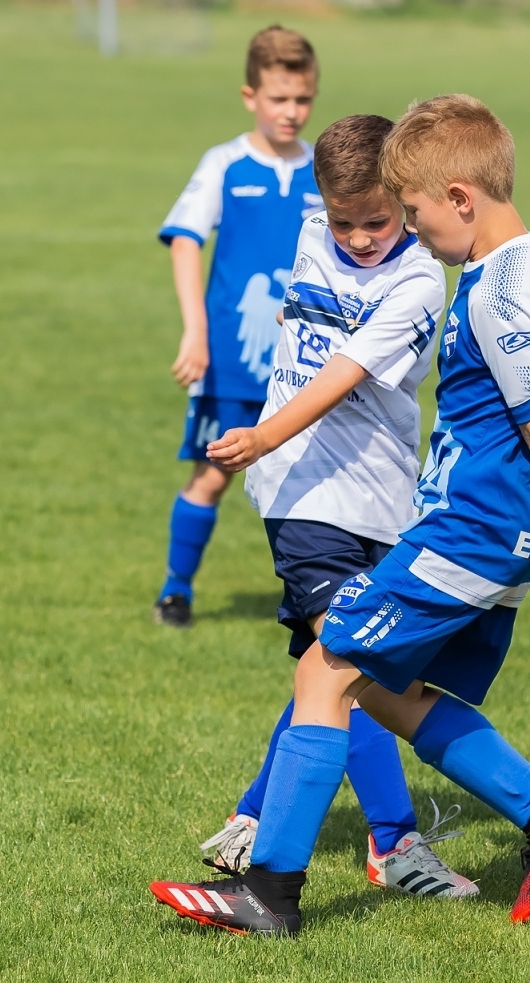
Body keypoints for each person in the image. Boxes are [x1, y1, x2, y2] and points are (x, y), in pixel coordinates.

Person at [152, 95, 530, 938]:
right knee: (382, 687)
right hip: (481, 530)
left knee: (326, 669)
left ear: (459, 197)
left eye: (411, 213)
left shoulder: (499, 296)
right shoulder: (523, 265)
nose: (412, 232)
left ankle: (273, 892)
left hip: (467, 529)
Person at [193, 114, 476, 899]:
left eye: (377, 221)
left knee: (330, 669)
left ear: (406, 204)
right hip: (300, 495)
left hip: (379, 499)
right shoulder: (313, 232)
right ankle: (395, 842)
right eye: (343, 219)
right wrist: (263, 441)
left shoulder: (420, 277)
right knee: (358, 658)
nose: (356, 237)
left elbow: (343, 376)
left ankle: (253, 817)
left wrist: (260, 429)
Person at [152, 25, 323, 626]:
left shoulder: (324, 170)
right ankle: (176, 589)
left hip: (308, 363)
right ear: (250, 95)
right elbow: (183, 241)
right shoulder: (225, 164)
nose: (292, 112)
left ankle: (317, 603)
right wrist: (195, 332)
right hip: (231, 353)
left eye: (302, 100)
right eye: (279, 100)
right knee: (214, 475)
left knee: (313, 482)